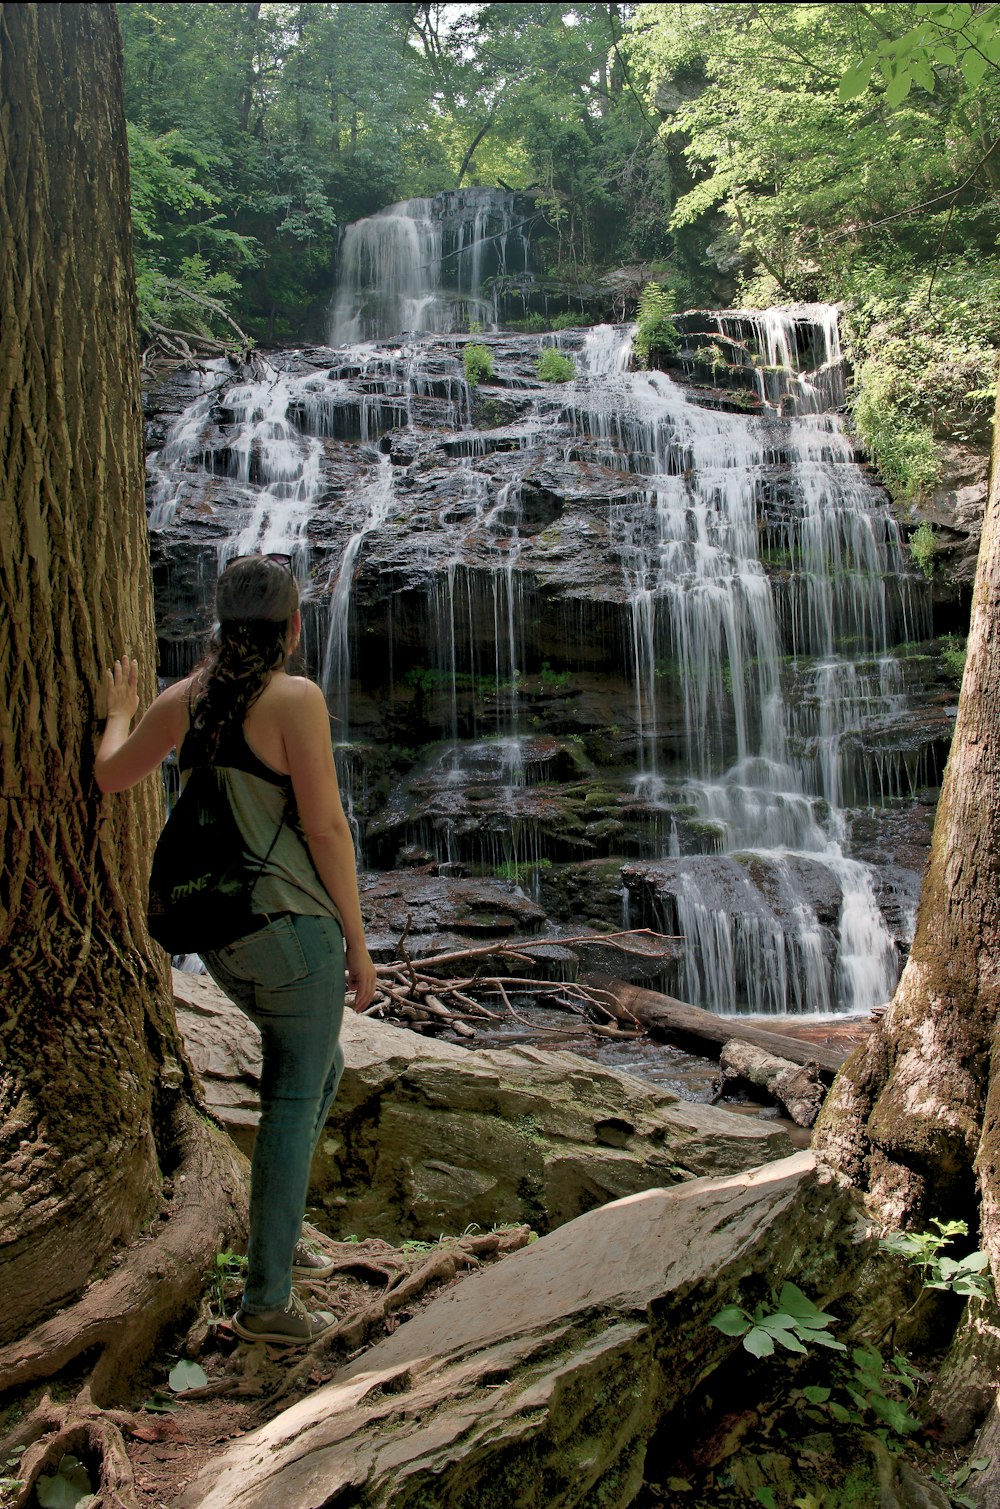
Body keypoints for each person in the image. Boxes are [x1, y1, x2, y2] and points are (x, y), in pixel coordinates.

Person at [95, 555, 377, 1345]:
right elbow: (325, 828)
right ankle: (268, 1301)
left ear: (223, 626)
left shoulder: (186, 700)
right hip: (297, 937)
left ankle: (277, 1247)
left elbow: (113, 775)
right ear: (292, 628)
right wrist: (359, 944)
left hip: (222, 943)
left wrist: (119, 711)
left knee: (321, 1069)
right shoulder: (294, 698)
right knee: (294, 1099)